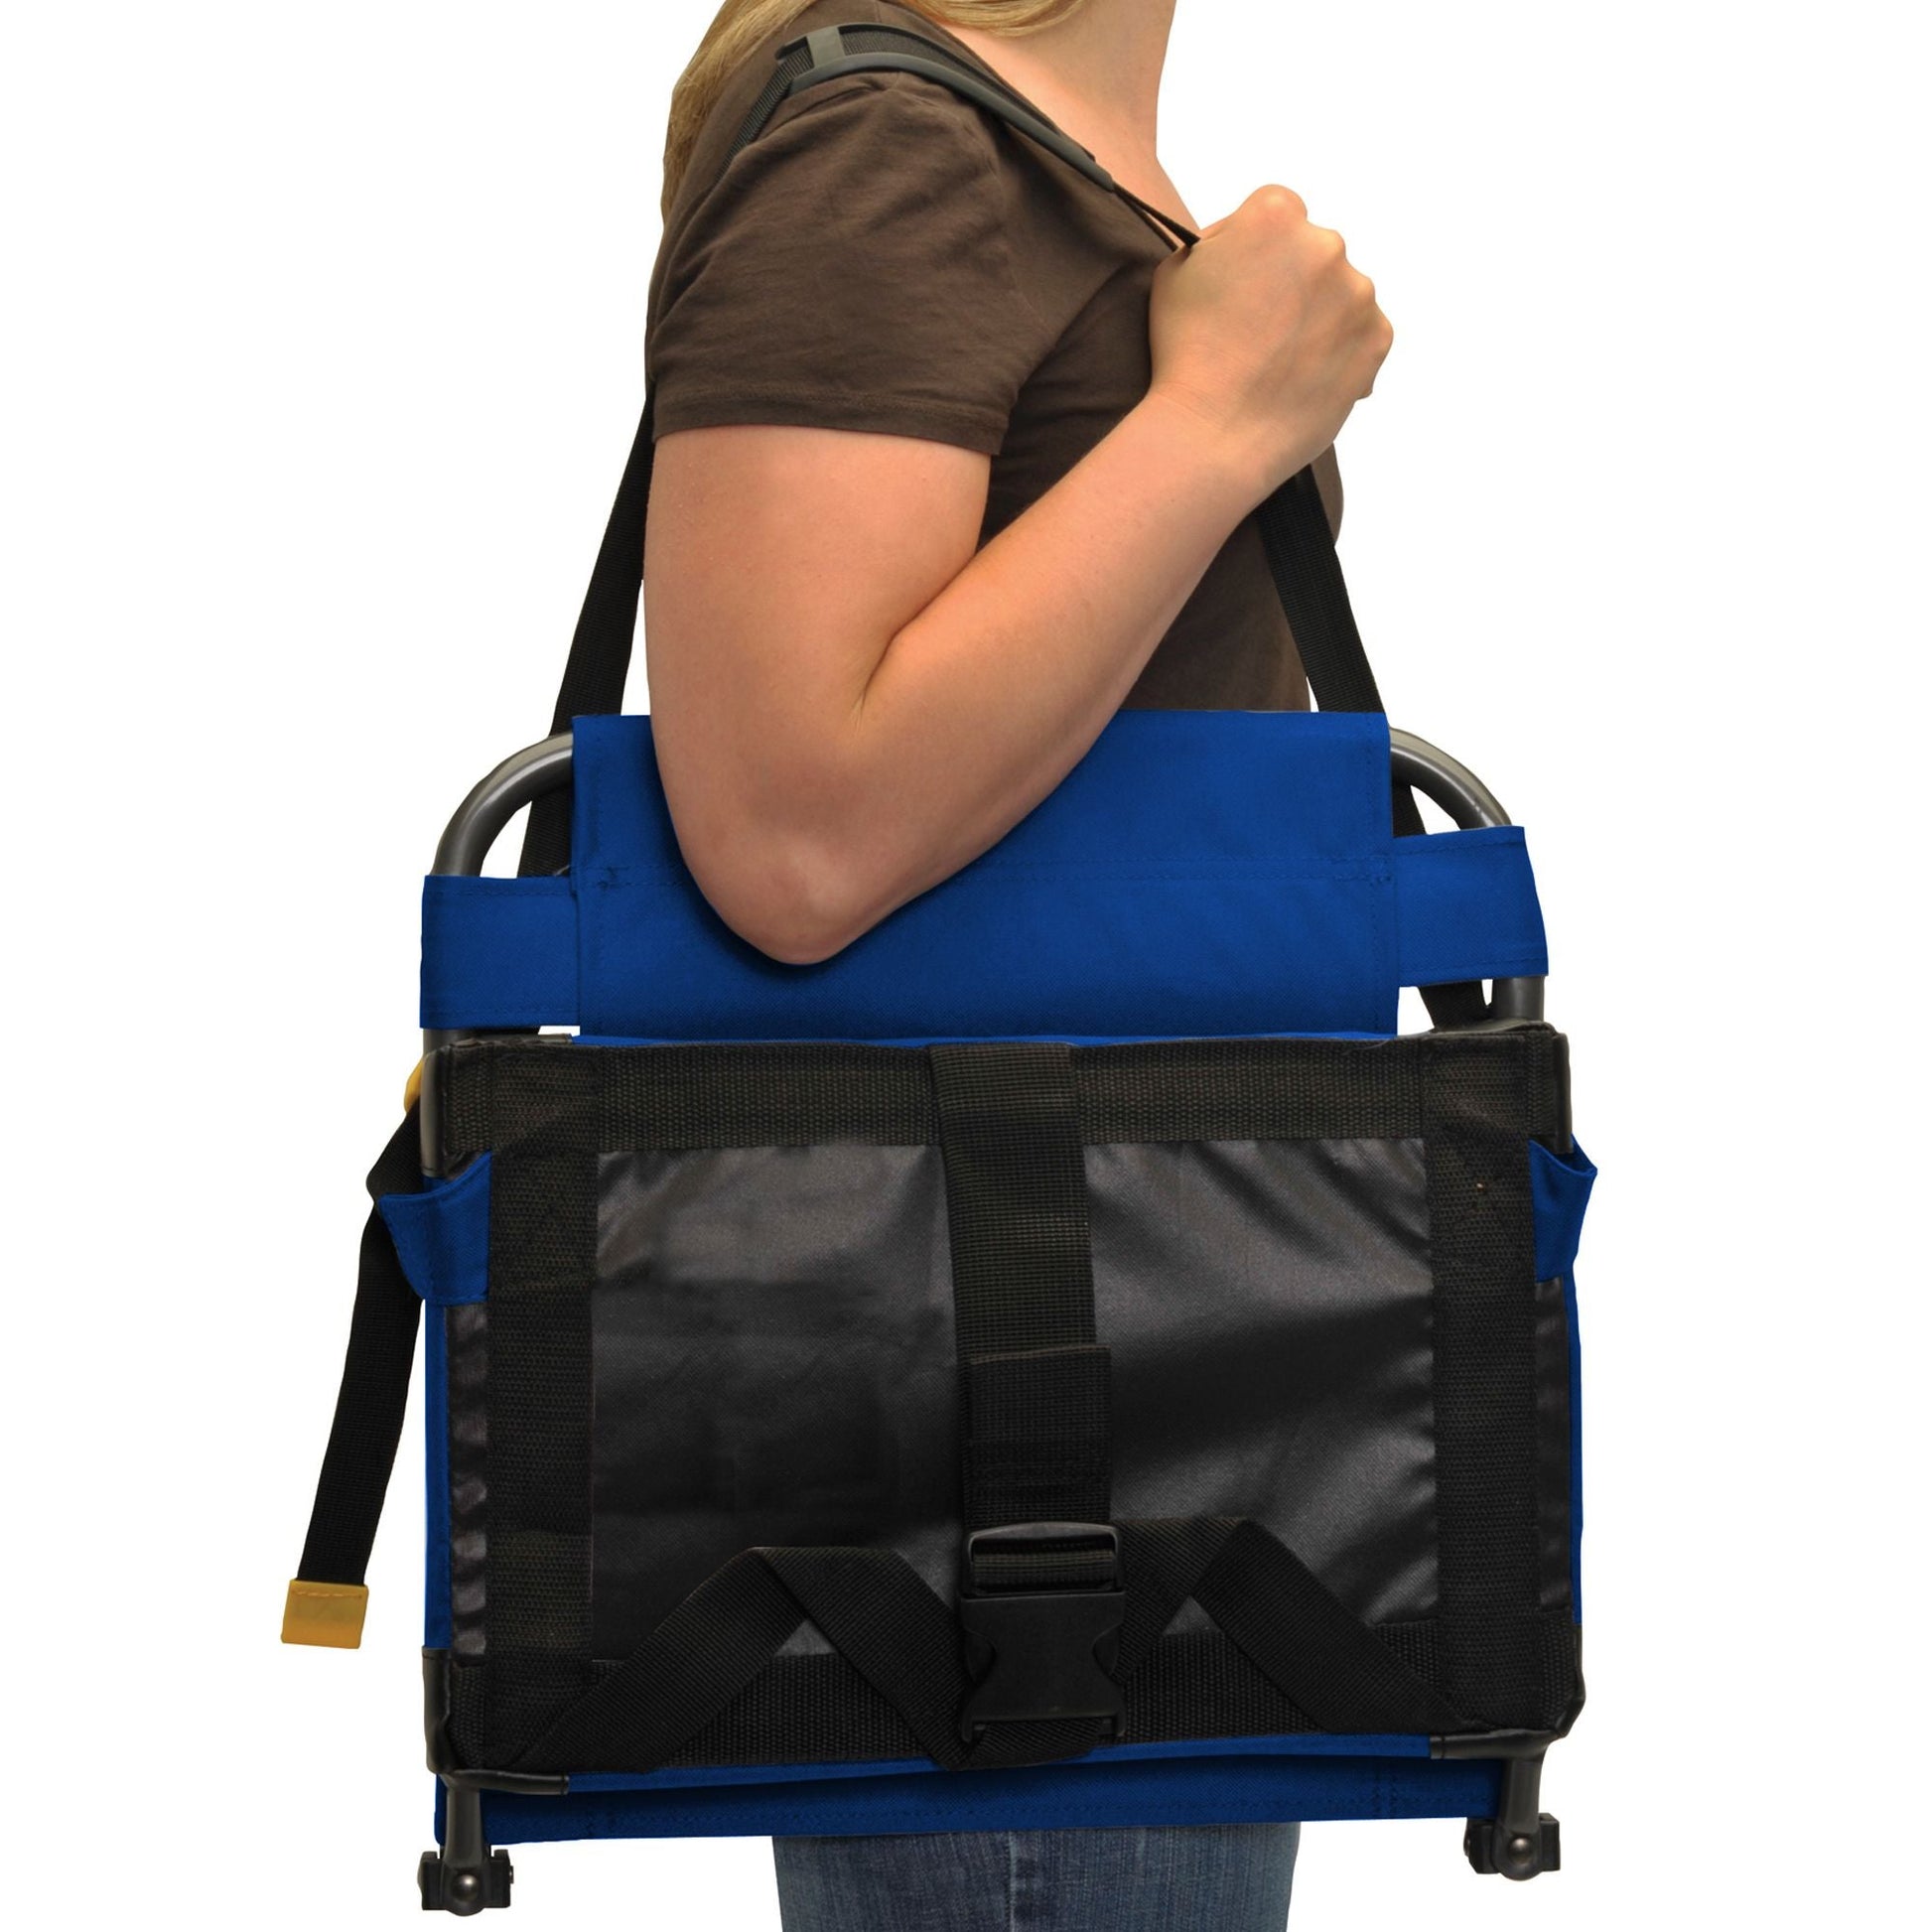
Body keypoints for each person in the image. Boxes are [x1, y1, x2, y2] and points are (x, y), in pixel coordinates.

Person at [641, 2, 1393, 1924]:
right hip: (1020, 1407)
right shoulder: (896, 149)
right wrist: (1214, 425)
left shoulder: (1041, 155)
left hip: (1169, 1354)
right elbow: (790, 836)